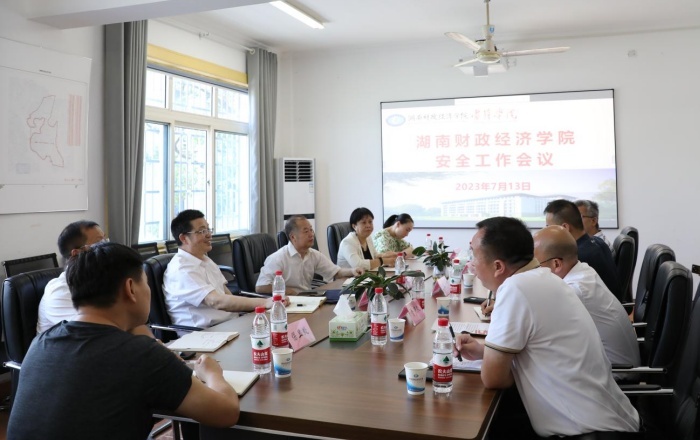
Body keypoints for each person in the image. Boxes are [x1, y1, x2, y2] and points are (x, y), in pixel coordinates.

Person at [8, 242, 239, 439]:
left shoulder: (41, 342)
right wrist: (212, 374)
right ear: (130, 288)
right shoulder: (140, 354)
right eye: (145, 282)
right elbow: (226, 413)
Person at [455, 217, 639, 438]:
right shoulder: (545, 277)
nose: (471, 264)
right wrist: (482, 352)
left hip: (590, 432)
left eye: (474, 255)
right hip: (604, 420)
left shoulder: (516, 288)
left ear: (498, 267)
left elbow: (493, 378)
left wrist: (496, 362)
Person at [533, 225, 640, 371]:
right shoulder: (584, 269)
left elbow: (539, 333)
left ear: (556, 264)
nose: (535, 271)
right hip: (613, 364)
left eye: (536, 265)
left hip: (617, 373)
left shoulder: (574, 290)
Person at [164, 209, 276, 330]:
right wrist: (264, 303)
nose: (209, 235)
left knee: (274, 327)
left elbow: (226, 294)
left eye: (208, 229)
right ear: (184, 238)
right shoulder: (182, 269)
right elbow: (216, 301)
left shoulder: (205, 260)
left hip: (229, 325)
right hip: (205, 333)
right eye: (202, 231)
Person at [256, 215, 363, 295]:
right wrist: (288, 291)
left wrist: (352, 271)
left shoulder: (313, 254)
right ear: (293, 237)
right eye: (306, 231)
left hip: (307, 300)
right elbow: (260, 287)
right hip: (287, 303)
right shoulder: (278, 258)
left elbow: (336, 272)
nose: (311, 234)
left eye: (311, 230)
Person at [544, 199, 622, 301]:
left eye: (548, 227)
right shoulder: (598, 242)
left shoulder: (577, 256)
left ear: (565, 228)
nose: (546, 231)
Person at [36, 220, 106, 334]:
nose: (107, 247)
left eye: (105, 240)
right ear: (77, 254)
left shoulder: (98, 278)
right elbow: (99, 329)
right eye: (99, 243)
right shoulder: (60, 291)